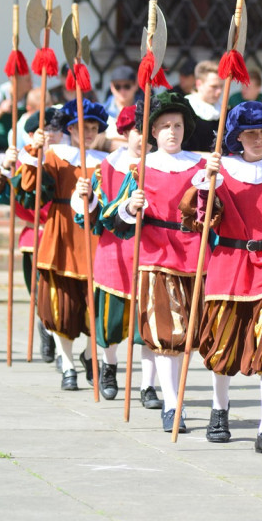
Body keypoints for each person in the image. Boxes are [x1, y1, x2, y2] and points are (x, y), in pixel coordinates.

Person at [182, 101, 262, 456]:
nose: (258, 139)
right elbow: (201, 220)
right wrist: (206, 185)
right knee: (221, 346)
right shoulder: (218, 171)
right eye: (250, 133)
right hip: (229, 265)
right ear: (237, 136)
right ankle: (219, 411)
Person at [101, 91, 210, 431]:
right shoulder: (141, 169)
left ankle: (177, 396)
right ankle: (172, 404)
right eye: (165, 126)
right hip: (155, 256)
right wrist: (130, 207)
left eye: (177, 125)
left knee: (189, 336)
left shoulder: (201, 167)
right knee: (164, 334)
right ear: (153, 132)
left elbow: (215, 215)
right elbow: (115, 219)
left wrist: (211, 193)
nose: (172, 132)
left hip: (194, 256)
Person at [73, 105, 161, 405]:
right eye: (137, 130)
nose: (143, 137)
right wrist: (87, 198)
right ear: (124, 132)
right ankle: (109, 368)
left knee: (148, 325)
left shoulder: (162, 165)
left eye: (148, 130)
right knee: (110, 322)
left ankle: (148, 385)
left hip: (152, 252)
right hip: (114, 253)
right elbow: (93, 218)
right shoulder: (106, 167)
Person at [19, 99, 109, 391]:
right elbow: (31, 188)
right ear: (71, 129)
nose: (89, 133)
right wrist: (35, 150)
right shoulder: (56, 155)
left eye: (94, 128)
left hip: (93, 236)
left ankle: (89, 356)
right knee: (61, 307)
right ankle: (67, 365)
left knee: (95, 309)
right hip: (61, 233)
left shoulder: (105, 162)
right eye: (83, 127)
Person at [0, 107, 63, 364]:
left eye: (56, 129)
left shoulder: (70, 160)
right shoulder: (21, 162)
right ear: (31, 135)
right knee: (41, 292)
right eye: (45, 130)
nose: (51, 134)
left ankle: (62, 343)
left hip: (66, 237)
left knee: (66, 295)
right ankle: (46, 326)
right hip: (37, 236)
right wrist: (5, 168)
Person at [0, 71, 32, 172]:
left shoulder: (31, 93)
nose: (31, 83)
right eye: (27, 80)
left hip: (18, 138)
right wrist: (0, 110)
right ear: (16, 81)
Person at [183, 60, 224, 153]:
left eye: (221, 86)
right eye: (214, 86)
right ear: (199, 84)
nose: (219, 91)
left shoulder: (224, 110)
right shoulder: (186, 108)